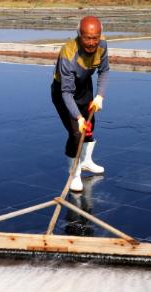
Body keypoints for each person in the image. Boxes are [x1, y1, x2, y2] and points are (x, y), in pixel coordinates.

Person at [51, 16, 109, 192]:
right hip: (64, 91)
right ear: (79, 35)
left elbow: (104, 71)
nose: (92, 42)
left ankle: (87, 162)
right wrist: (77, 117)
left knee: (90, 124)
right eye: (87, 38)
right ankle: (74, 174)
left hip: (84, 86)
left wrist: (100, 96)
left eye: (95, 37)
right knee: (76, 133)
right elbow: (67, 92)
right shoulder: (68, 54)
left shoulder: (102, 45)